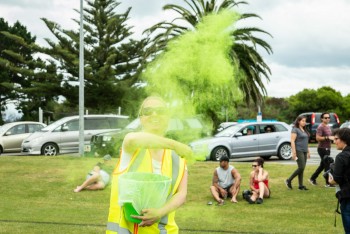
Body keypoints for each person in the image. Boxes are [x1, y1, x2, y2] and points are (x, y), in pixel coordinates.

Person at [106, 96, 193, 234]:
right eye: (148, 111)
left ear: (168, 118)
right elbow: (131, 138)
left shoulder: (177, 156)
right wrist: (175, 145)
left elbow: (181, 194)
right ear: (141, 118)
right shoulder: (132, 148)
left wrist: (160, 213)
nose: (154, 114)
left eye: (160, 110)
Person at [328, 128, 350, 233]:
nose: (334, 141)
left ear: (344, 139)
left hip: (347, 197)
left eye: (336, 139)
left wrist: (330, 179)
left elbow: (336, 180)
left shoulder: (341, 157)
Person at [309, 112, 335, 187]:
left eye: (328, 117)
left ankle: (312, 178)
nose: (327, 119)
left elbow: (330, 136)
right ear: (322, 119)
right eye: (325, 118)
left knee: (322, 165)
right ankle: (328, 183)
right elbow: (317, 138)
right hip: (322, 148)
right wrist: (327, 137)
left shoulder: (327, 126)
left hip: (328, 148)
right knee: (327, 165)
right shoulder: (320, 127)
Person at [285, 115, 310, 190]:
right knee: (301, 167)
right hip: (299, 150)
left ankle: (301, 185)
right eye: (303, 121)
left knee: (302, 168)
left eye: (305, 121)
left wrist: (308, 151)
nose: (304, 122)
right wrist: (294, 152)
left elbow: (306, 141)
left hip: (305, 151)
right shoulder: (295, 129)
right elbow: (292, 141)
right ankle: (288, 180)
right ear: (298, 121)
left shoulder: (304, 130)